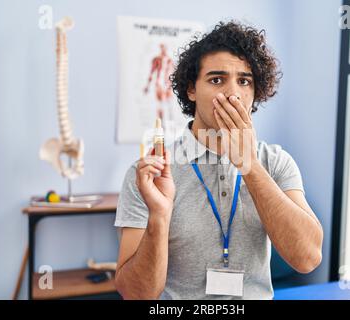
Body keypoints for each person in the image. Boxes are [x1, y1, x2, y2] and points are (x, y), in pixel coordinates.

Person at [114, 21, 323, 300]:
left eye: (244, 81)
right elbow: (135, 295)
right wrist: (159, 217)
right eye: (216, 80)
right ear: (191, 89)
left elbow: (307, 258)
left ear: (255, 91)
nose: (232, 93)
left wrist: (249, 164)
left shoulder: (275, 162)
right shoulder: (151, 173)